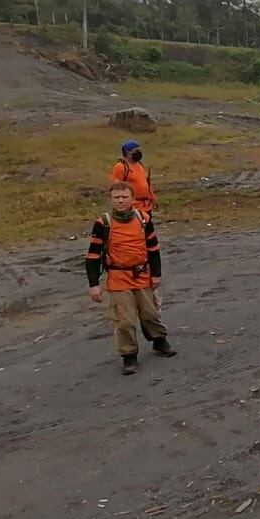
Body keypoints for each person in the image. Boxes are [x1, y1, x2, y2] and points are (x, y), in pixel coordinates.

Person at [85, 181, 173, 375]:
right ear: (111, 200)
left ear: (132, 199)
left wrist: (156, 274)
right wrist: (93, 285)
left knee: (150, 314)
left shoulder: (144, 219)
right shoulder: (103, 224)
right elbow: (93, 256)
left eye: (125, 197)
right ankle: (129, 355)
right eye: (117, 197)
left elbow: (153, 249)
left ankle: (159, 341)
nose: (121, 201)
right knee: (124, 321)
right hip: (118, 278)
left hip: (142, 275)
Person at [110, 140, 157, 215]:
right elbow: (116, 187)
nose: (139, 153)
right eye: (136, 151)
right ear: (128, 153)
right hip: (132, 208)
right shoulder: (121, 167)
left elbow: (147, 183)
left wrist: (152, 197)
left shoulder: (141, 165)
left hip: (146, 207)